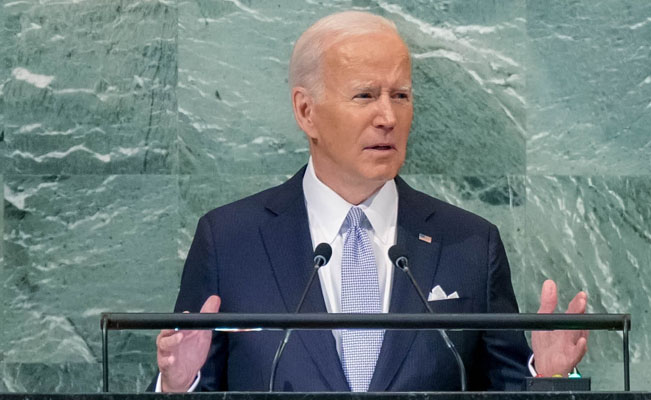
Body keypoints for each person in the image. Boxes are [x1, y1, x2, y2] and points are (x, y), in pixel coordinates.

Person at [153, 11, 588, 392]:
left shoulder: (470, 245)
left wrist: (547, 378)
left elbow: (505, 385)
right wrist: (179, 386)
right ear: (306, 112)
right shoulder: (231, 241)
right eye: (365, 95)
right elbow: (198, 381)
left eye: (400, 96)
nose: (388, 117)